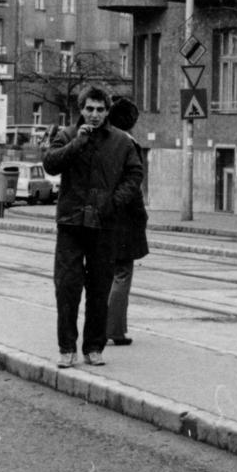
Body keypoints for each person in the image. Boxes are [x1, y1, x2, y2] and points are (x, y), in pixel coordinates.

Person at [43, 86, 144, 369]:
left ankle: (94, 347)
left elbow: (135, 173)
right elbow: (50, 164)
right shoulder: (66, 135)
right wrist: (78, 143)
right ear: (81, 110)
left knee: (99, 289)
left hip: (104, 223)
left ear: (108, 111)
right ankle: (66, 348)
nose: (95, 114)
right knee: (67, 287)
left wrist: (116, 201)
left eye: (100, 109)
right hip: (72, 223)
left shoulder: (121, 142)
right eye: (90, 109)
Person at [104, 96, 149, 348]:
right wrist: (141, 216)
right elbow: (133, 185)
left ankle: (99, 326)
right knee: (122, 273)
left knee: (105, 274)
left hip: (102, 216)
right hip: (123, 219)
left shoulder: (104, 140)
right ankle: (115, 330)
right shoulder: (129, 144)